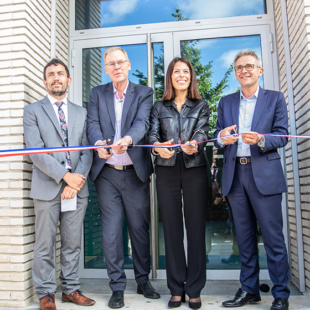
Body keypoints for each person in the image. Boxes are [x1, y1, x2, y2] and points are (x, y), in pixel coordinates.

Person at [214, 49, 290, 310]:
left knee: (273, 239)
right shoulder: (225, 102)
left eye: (249, 66)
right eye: (239, 68)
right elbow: (217, 137)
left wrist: (261, 139)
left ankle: (281, 294)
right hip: (235, 176)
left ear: (260, 70)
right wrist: (221, 137)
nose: (243, 70)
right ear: (235, 73)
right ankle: (249, 289)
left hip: (264, 174)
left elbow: (282, 136)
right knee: (244, 238)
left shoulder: (275, 99)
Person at [86, 47, 160, 309]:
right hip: (106, 174)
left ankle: (142, 280)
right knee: (111, 233)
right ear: (106, 69)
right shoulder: (97, 93)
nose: (116, 67)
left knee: (139, 230)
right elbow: (92, 123)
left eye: (120, 62)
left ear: (128, 65)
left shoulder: (144, 92)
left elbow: (142, 122)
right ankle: (117, 287)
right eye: (111, 64)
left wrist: (128, 139)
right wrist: (97, 142)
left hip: (134, 173)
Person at [23, 59, 95, 310]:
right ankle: (46, 293)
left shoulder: (82, 112)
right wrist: (65, 177)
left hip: (77, 187)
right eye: (51, 74)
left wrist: (75, 182)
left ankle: (71, 289)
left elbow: (88, 151)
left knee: (73, 242)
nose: (56, 77)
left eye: (60, 74)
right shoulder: (32, 111)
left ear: (69, 80)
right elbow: (36, 152)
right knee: (44, 243)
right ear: (45, 82)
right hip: (46, 187)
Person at [148, 57, 210, 310]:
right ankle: (176, 288)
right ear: (170, 77)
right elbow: (152, 135)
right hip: (166, 170)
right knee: (172, 229)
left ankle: (194, 288)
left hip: (195, 169)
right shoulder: (158, 106)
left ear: (191, 76)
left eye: (186, 71)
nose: (181, 75)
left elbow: (204, 132)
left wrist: (196, 144)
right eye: (176, 72)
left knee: (195, 229)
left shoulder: (201, 104)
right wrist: (156, 148)